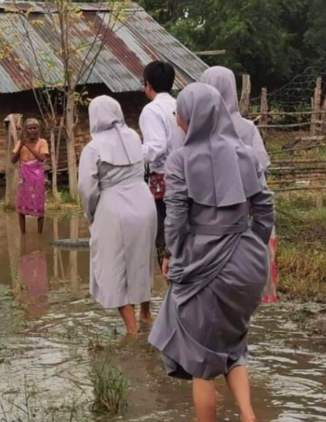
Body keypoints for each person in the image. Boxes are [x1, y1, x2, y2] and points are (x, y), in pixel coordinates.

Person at [148, 83, 274, 422]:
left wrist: (171, 255)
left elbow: (175, 218)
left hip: (202, 264)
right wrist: (252, 247)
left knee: (201, 361)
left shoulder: (180, 159)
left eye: (179, 114)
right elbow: (264, 208)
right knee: (233, 345)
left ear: (190, 116)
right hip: (248, 263)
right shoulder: (244, 153)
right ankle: (248, 416)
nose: (177, 120)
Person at [78, 96, 157, 335]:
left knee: (114, 268)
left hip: (114, 208)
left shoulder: (93, 148)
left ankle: (132, 332)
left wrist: (90, 214)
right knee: (142, 261)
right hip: (145, 204)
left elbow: (86, 188)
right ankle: (145, 314)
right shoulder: (134, 136)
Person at [200, 66, 277, 303]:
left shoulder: (199, 130)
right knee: (248, 286)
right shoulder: (247, 127)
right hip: (250, 212)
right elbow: (262, 164)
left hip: (211, 218)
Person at [140, 61, 181, 267]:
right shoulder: (179, 105)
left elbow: (156, 146)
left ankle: (172, 289)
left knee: (165, 239)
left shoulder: (151, 110)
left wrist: (134, 154)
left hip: (163, 181)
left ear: (148, 84)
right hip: (186, 176)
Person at [11, 118, 49, 234]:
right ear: (25, 130)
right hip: (24, 177)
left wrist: (28, 146)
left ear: (38, 129)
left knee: (39, 204)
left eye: (35, 128)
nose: (32, 130)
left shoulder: (42, 142)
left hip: (37, 176)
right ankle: (23, 234)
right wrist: (21, 145)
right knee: (21, 206)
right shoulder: (20, 143)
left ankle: (40, 233)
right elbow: (13, 160)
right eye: (30, 128)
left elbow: (41, 158)